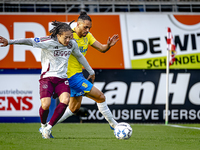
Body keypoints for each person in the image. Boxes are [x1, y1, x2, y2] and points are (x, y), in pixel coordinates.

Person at [0, 20, 95, 139]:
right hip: (47, 79)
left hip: (62, 79)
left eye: (70, 37)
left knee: (65, 101)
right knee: (46, 105)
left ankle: (48, 129)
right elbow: (29, 41)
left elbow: (80, 56)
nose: (68, 40)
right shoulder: (47, 41)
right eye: (66, 38)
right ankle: (43, 125)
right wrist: (9, 42)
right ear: (58, 35)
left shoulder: (72, 44)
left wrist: (91, 71)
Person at [56, 11, 119, 129]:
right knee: (100, 97)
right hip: (70, 76)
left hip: (78, 74)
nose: (88, 30)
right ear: (77, 25)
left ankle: (47, 126)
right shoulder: (68, 34)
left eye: (89, 28)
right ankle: (114, 125)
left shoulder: (87, 36)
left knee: (74, 108)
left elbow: (102, 48)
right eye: (86, 27)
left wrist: (108, 46)